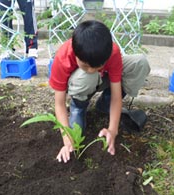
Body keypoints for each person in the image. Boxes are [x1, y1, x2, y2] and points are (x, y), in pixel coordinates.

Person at [49, 20, 150, 163]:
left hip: (103, 80)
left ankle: (104, 104)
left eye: (98, 66)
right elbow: (59, 104)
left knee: (140, 62)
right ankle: (78, 107)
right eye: (85, 65)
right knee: (87, 75)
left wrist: (112, 130)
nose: (91, 69)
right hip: (80, 84)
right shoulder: (63, 57)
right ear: (75, 53)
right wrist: (67, 140)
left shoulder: (111, 52)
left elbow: (117, 96)